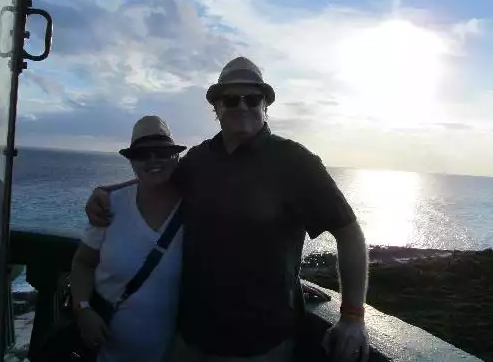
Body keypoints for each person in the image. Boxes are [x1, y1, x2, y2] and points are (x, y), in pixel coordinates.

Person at [85, 57, 370, 362]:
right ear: (217, 108)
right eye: (231, 99)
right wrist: (107, 192)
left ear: (265, 105)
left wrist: (352, 316)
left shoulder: (295, 163)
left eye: (252, 99)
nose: (242, 106)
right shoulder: (199, 160)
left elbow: (349, 233)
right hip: (190, 338)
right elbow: (156, 177)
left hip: (260, 345)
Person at [70, 115, 187, 362]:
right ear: (132, 162)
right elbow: (83, 263)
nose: (153, 160)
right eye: (142, 154)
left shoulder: (194, 211)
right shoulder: (110, 205)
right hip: (104, 355)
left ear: (176, 157)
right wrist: (83, 310)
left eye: (161, 152)